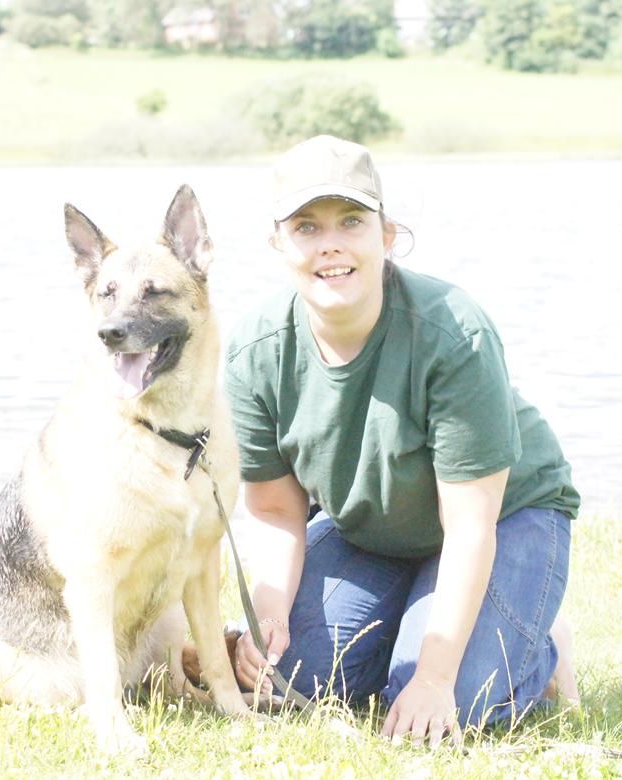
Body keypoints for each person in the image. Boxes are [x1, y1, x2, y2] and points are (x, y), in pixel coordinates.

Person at [222, 135, 582, 745]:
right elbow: (279, 511)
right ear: (279, 244)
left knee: (453, 705)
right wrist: (269, 612)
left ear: (387, 236)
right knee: (285, 681)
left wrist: (436, 678)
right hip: (373, 531)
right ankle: (414, 618)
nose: (330, 242)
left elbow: (471, 525)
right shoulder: (256, 351)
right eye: (307, 226)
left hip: (506, 519)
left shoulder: (453, 331)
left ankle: (541, 644)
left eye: (352, 221)